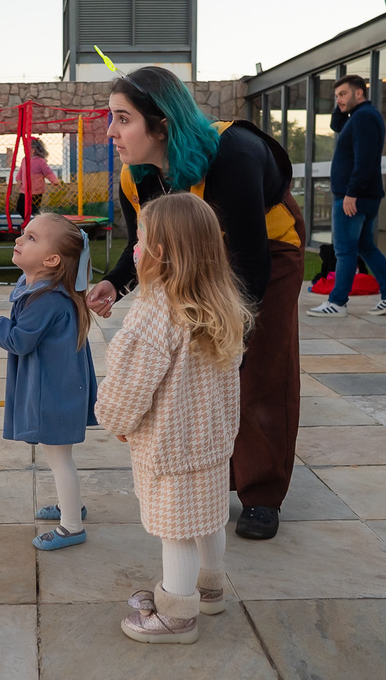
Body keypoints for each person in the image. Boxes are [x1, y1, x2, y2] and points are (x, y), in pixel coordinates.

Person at [86, 66, 305, 541]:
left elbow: (248, 262)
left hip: (266, 250)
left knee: (259, 365)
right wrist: (115, 284)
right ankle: (218, 468)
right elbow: (142, 247)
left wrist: (232, 338)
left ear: (161, 123)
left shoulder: (234, 156)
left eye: (123, 118)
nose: (111, 131)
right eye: (111, 117)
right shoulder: (135, 176)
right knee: (200, 370)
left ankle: (262, 493)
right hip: (198, 253)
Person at [96, 193, 253, 644]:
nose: (135, 250)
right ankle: (211, 589)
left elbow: (130, 383)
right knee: (207, 519)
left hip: (170, 446)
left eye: (139, 241)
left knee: (176, 531)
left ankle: (177, 615)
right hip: (212, 441)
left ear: (160, 252)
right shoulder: (221, 303)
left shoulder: (155, 309)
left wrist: (117, 419)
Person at [0, 214, 98, 550]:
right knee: (59, 454)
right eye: (23, 234)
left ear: (52, 260)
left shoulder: (46, 298)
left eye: (32, 238)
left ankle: (71, 526)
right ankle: (70, 504)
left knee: (58, 457)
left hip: (53, 391)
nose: (20, 240)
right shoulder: (42, 290)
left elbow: (20, 340)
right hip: (57, 386)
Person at [307, 75, 386, 318]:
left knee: (345, 250)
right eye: (336, 95)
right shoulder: (359, 117)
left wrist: (352, 193)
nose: (338, 99)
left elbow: (365, 159)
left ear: (359, 93)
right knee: (364, 246)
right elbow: (336, 125)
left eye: (343, 94)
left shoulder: (363, 118)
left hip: (354, 197)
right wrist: (341, 105)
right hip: (362, 195)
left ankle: (337, 303)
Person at [12, 137, 62, 215]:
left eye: (26, 148)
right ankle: (27, 221)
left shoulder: (40, 161)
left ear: (33, 149)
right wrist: (19, 180)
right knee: (20, 208)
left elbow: (48, 172)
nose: (25, 150)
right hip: (24, 190)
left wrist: (54, 180)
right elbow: (21, 172)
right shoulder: (24, 160)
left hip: (36, 191)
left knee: (34, 209)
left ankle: (34, 221)